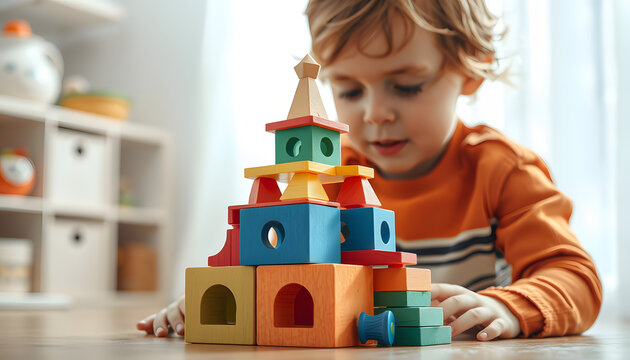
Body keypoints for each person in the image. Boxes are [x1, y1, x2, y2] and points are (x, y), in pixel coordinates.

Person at [137, 0, 602, 341]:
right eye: (351, 91)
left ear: (470, 70)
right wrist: (216, 303)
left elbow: (573, 276)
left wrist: (508, 306)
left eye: (405, 86)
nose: (376, 113)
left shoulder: (501, 169)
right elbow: (273, 268)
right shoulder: (328, 178)